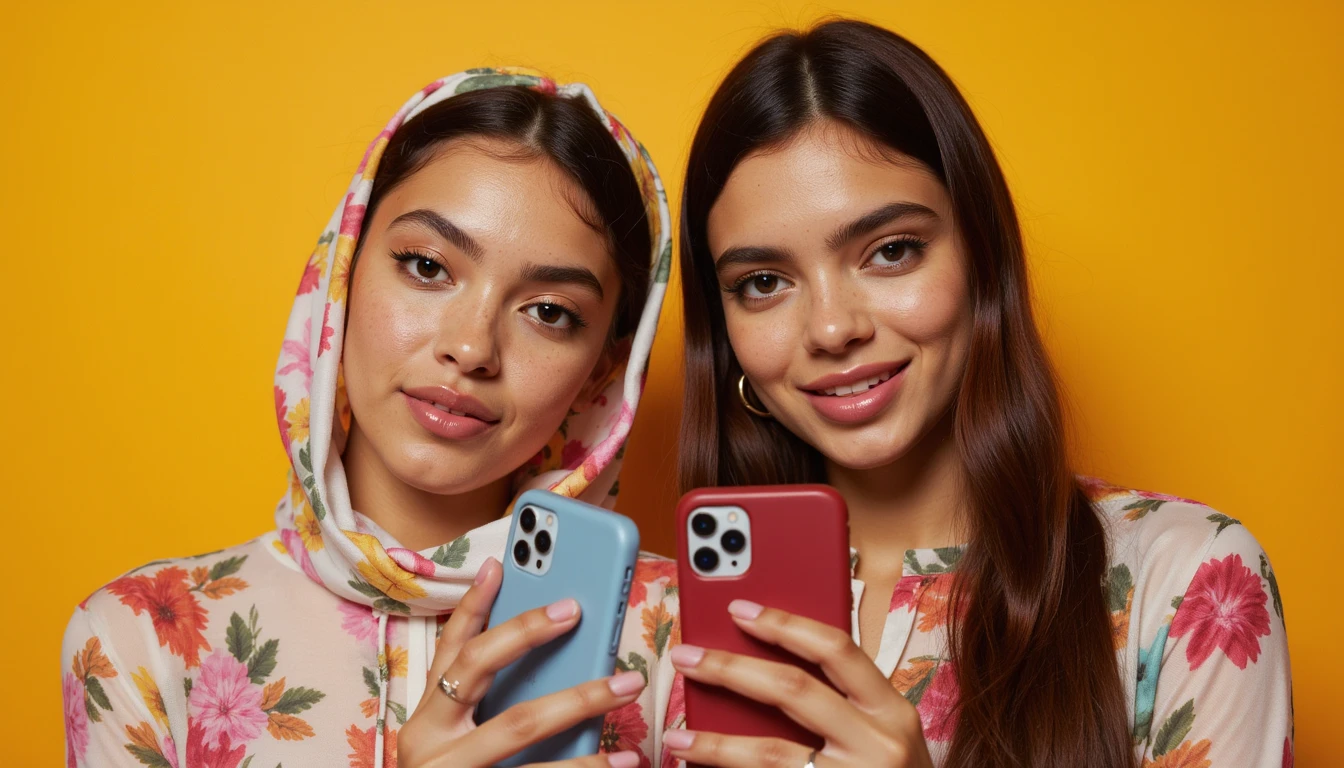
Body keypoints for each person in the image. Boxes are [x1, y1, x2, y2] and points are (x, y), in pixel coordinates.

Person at [665, 20, 1292, 768]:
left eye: (890, 251)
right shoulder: (653, 628)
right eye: (763, 283)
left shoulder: (1185, 585)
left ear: (982, 261)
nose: (831, 329)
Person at [61, 68, 679, 768]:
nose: (471, 348)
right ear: (342, 276)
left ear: (601, 371)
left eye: (548, 312)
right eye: (425, 266)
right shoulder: (142, 637)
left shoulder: (682, 641)